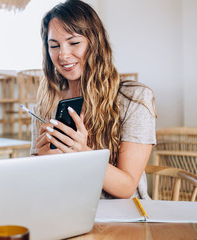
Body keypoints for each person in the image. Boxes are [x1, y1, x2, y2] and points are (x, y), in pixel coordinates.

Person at [31, 0, 157, 200]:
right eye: (54, 46)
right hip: (69, 213)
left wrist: (83, 153)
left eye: (74, 43)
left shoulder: (134, 99)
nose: (63, 55)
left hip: (127, 220)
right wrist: (43, 163)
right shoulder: (45, 106)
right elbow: (42, 187)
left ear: (95, 43)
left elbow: (126, 188)